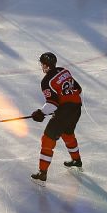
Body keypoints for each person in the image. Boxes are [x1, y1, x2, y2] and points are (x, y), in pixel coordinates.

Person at [29, 51, 82, 182]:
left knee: (47, 139)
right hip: (76, 108)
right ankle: (76, 160)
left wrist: (40, 113)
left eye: (42, 64)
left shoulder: (46, 81)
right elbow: (78, 89)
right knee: (67, 133)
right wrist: (65, 104)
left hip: (65, 111)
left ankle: (42, 173)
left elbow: (52, 104)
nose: (42, 66)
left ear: (46, 65)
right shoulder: (64, 71)